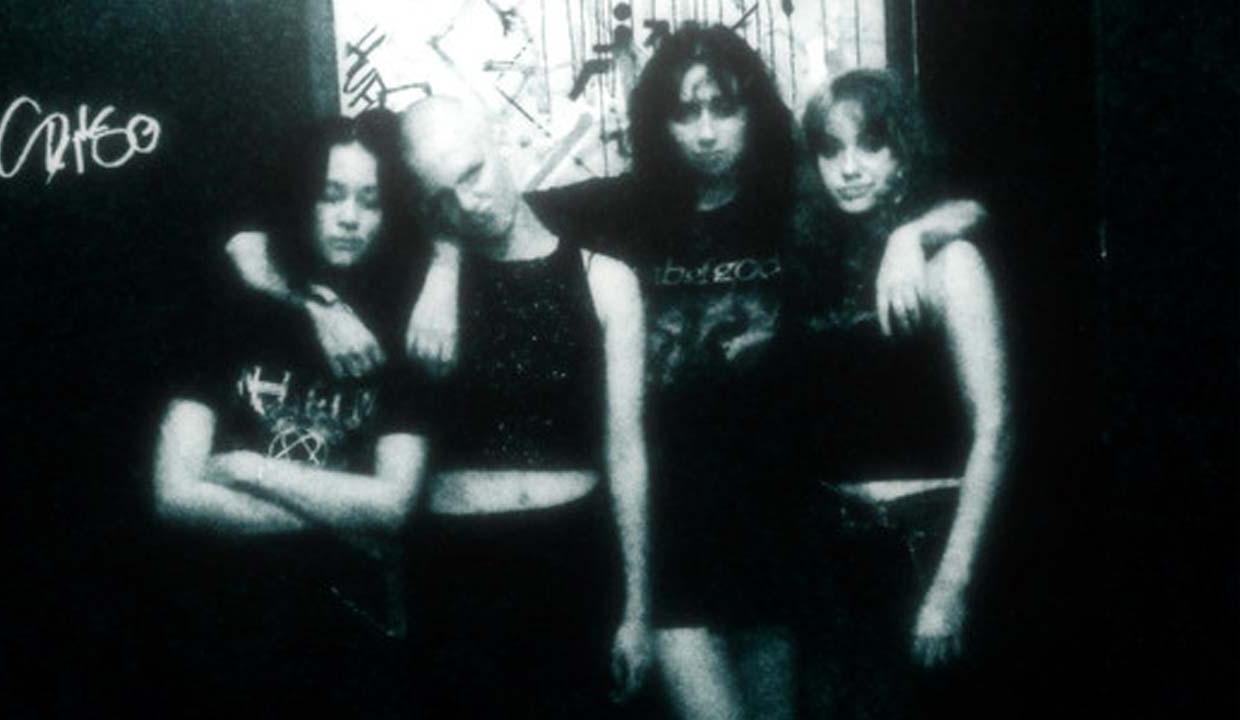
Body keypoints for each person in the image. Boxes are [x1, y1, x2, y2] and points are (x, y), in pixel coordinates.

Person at [222, 24, 984, 720]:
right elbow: (469, 210)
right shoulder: (623, 207)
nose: (706, 131)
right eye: (684, 112)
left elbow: (965, 207)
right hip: (673, 531)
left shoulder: (796, 202)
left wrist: (913, 234)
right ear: (658, 121)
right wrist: (431, 267)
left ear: (753, 109)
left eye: (723, 107)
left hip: (778, 529)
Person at [151, 111, 429, 716]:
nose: (350, 217)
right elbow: (174, 492)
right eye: (332, 195)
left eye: (370, 201)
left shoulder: (396, 327)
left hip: (352, 642)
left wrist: (247, 468)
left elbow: (395, 504)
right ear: (302, 198)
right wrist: (346, 518)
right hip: (226, 629)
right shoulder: (231, 309)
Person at [395, 95, 652, 720]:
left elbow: (626, 452)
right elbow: (264, 235)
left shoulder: (605, 278)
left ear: (501, 136)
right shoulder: (418, 283)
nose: (468, 203)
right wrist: (441, 261)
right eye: (441, 196)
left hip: (572, 561)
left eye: (473, 172)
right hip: (455, 572)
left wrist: (638, 608)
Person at [786, 68, 1011, 718]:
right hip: (833, 558)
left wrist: (951, 586)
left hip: (924, 547)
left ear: (903, 152)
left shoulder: (952, 263)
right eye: (832, 149)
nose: (850, 167)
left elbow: (996, 429)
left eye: (870, 144)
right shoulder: (816, 263)